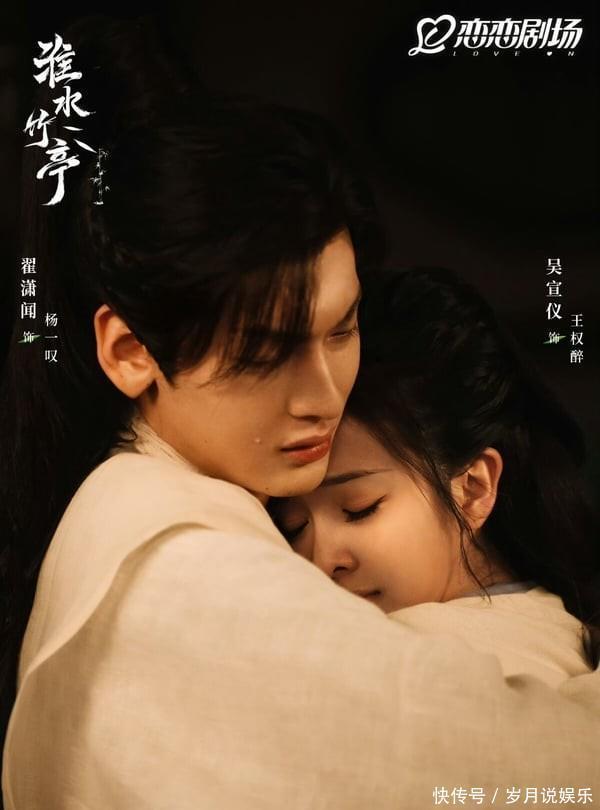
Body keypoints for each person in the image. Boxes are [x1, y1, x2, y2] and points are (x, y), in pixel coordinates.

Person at [2, 15, 600, 810]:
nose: (323, 395)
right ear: (130, 351)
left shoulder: (205, 507)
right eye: (266, 350)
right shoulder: (180, 569)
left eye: (341, 328)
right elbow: (529, 770)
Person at [270, 267, 600, 689]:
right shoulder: (557, 629)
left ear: (474, 488)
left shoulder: (428, 660)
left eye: (359, 509)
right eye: (293, 527)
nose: (320, 560)